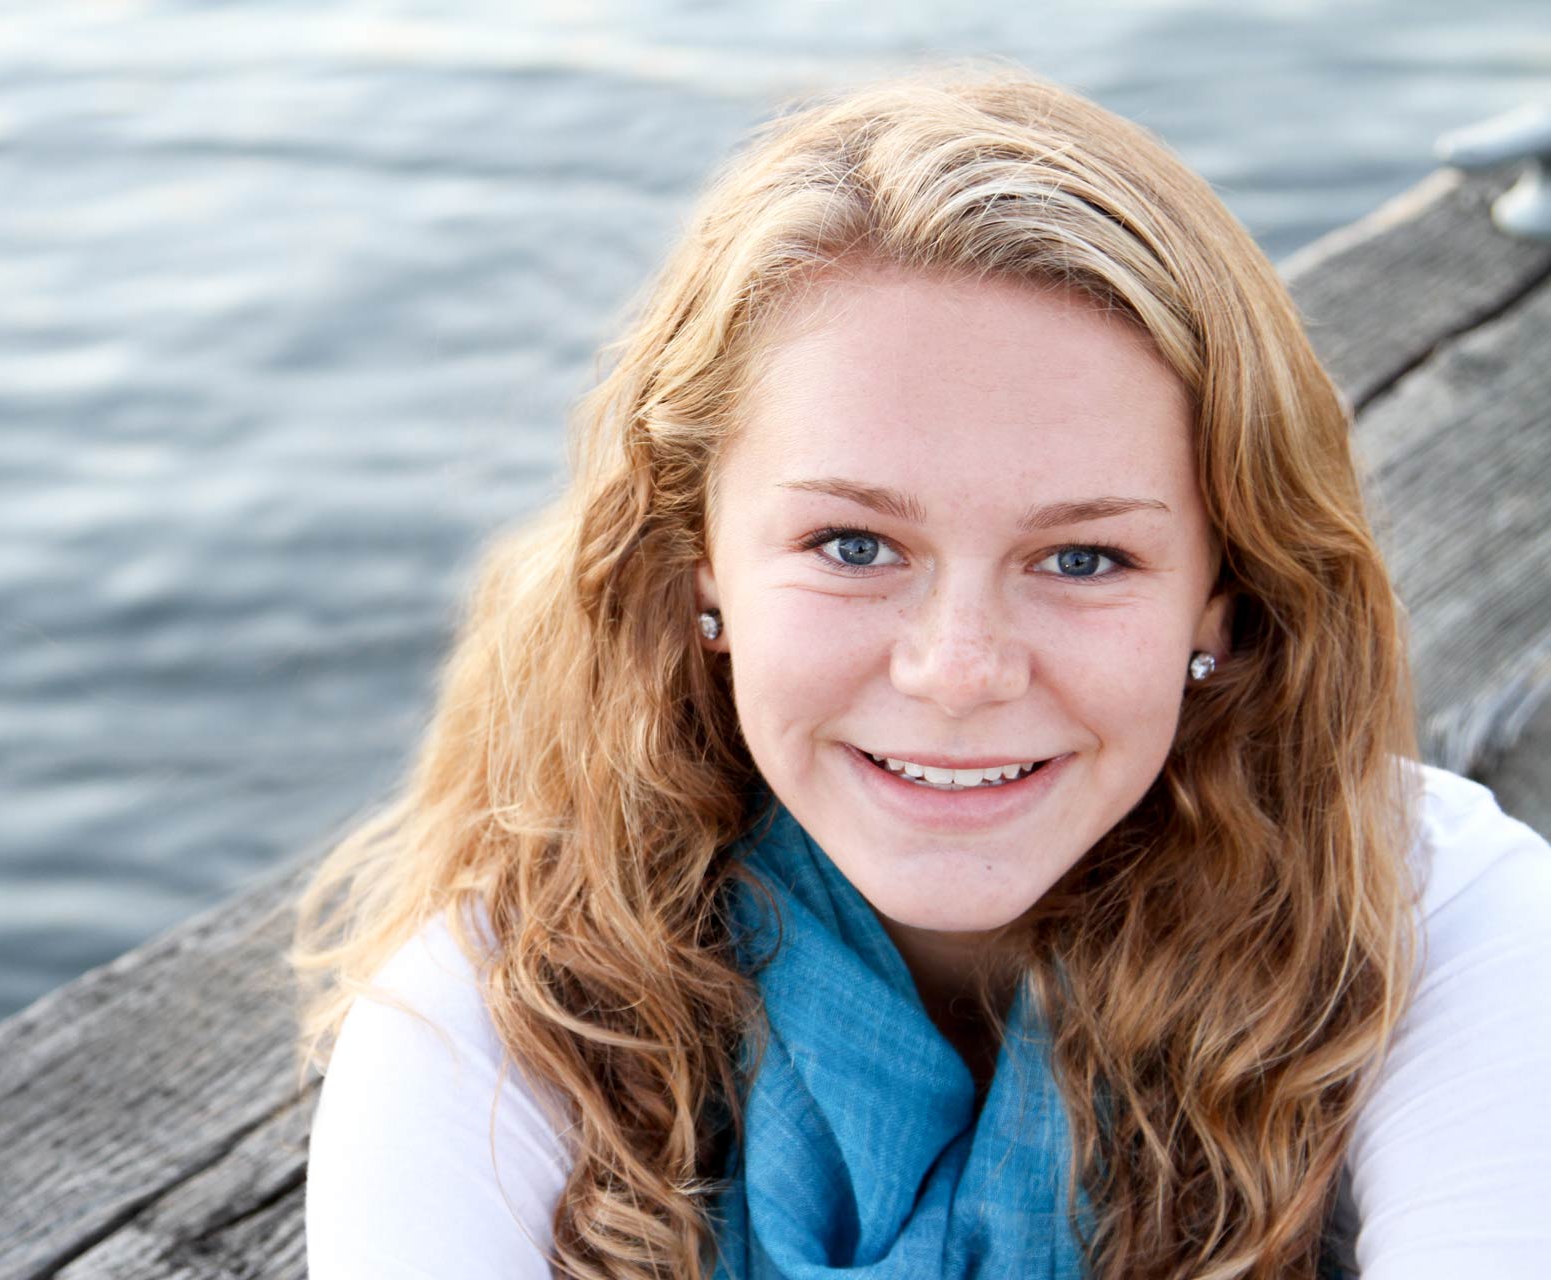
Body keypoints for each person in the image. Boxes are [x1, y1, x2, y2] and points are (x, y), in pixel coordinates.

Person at [290, 66, 1551, 1279]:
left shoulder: (1437, 916)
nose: (957, 670)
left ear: (1221, 598)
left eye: (1083, 557)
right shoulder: (494, 1013)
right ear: (699, 565)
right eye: (854, 545)